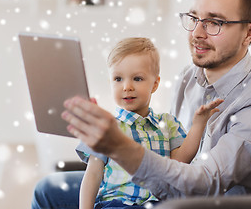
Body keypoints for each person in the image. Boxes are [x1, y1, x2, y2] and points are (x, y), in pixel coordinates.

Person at [32, 0, 251, 208]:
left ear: (249, 33)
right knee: (48, 190)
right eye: (194, 18)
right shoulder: (190, 77)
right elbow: (171, 155)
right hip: (171, 195)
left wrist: (121, 147)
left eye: (214, 22)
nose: (197, 33)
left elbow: (206, 183)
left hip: (210, 202)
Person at [77, 37, 223, 209]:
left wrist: (199, 124)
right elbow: (93, 174)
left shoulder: (167, 124)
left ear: (154, 84)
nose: (127, 87)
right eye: (118, 79)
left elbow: (180, 161)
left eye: (137, 79)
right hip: (117, 204)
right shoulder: (106, 126)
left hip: (160, 203)